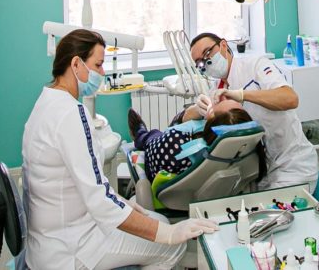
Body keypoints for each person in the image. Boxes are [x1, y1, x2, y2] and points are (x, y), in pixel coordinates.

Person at [22, 29, 218, 270]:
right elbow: (98, 201)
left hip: (50, 238)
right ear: (76, 64)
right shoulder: (72, 115)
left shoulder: (47, 102)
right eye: (98, 64)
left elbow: (87, 183)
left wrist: (122, 203)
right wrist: (169, 234)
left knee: (156, 219)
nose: (102, 72)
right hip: (72, 247)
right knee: (173, 246)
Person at [184, 32, 318, 191]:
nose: (206, 62)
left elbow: (290, 99)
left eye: (207, 53)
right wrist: (198, 108)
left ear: (223, 46)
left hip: (293, 165)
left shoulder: (255, 65)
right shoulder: (218, 88)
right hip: (260, 171)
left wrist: (243, 95)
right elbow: (185, 119)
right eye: (199, 62)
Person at [128, 100, 266, 178]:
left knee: (152, 135)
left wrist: (188, 113)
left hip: (160, 165)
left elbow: (167, 134)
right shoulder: (247, 147)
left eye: (217, 103)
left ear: (210, 121)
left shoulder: (176, 141)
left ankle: (139, 133)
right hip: (213, 188)